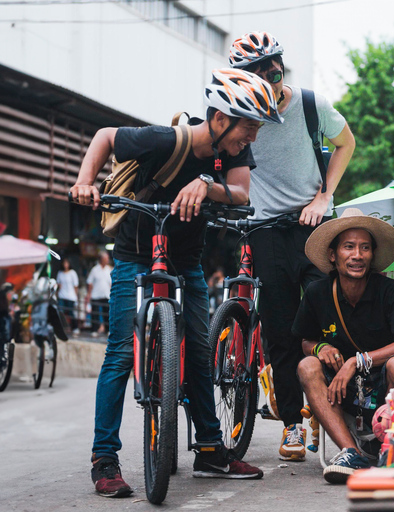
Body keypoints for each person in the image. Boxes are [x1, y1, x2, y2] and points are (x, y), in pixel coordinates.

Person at [69, 69, 282, 498]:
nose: (253, 138)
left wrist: (205, 184)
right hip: (134, 255)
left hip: (185, 260)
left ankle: (208, 449)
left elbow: (240, 193)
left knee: (201, 350)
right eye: (249, 127)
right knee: (119, 354)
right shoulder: (166, 140)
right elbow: (107, 136)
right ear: (221, 118)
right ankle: (104, 459)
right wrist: (84, 182)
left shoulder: (231, 156)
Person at [229, 30, 356, 461]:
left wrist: (324, 197)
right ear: (246, 77)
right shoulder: (241, 115)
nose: (271, 72)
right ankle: (293, 425)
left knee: (331, 318)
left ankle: (338, 411)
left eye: (275, 63)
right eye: (261, 68)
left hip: (314, 223)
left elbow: (347, 143)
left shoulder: (308, 103)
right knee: (280, 329)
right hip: (265, 229)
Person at [293, 208, 394, 484]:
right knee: (307, 366)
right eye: (348, 247)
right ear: (332, 255)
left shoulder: (389, 291)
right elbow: (306, 341)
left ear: (372, 256)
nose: (357, 255)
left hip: (382, 381)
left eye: (365, 248)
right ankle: (351, 452)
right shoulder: (317, 292)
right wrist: (319, 349)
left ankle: (393, 447)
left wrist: (357, 361)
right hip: (340, 388)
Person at [86, 251, 111, 336]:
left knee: (107, 313)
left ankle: (107, 330)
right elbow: (89, 282)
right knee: (95, 313)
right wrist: (89, 294)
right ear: (101, 259)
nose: (107, 260)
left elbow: (111, 283)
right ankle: (94, 330)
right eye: (105, 259)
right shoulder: (95, 270)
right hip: (96, 294)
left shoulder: (109, 269)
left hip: (106, 294)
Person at [57, 257, 79, 332]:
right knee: (60, 312)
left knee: (71, 313)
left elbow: (76, 286)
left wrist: (76, 297)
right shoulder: (60, 273)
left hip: (70, 296)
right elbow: (58, 284)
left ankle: (75, 327)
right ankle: (62, 327)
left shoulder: (72, 273)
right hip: (62, 295)